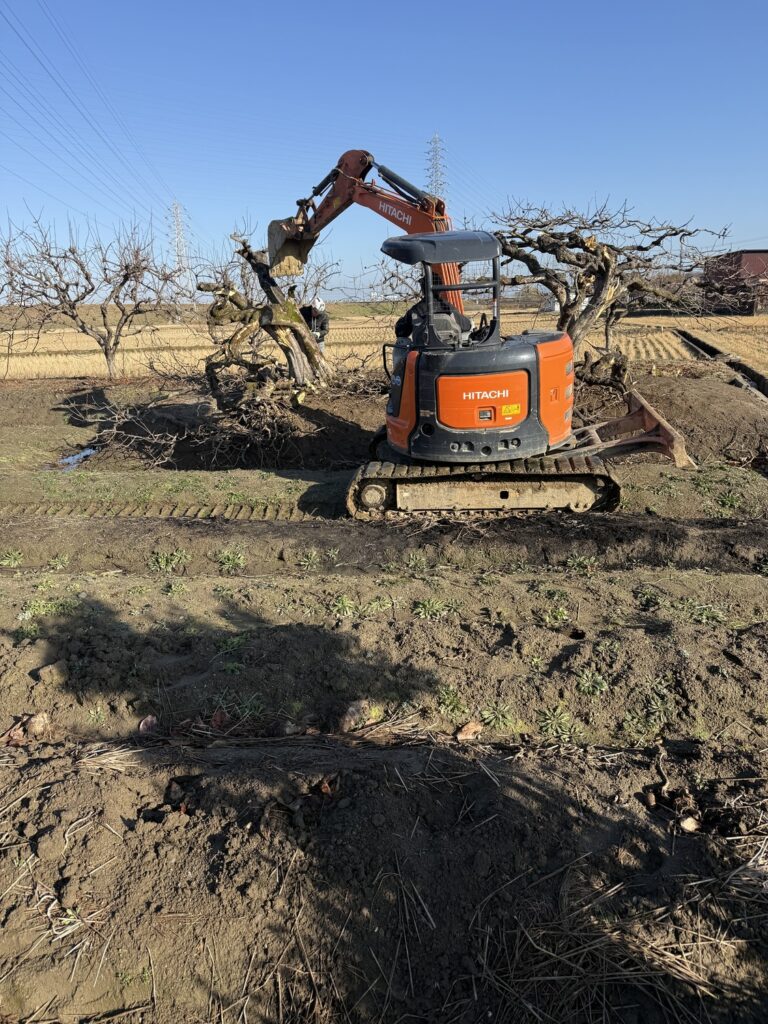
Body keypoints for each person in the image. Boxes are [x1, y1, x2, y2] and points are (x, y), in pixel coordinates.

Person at [395, 279, 472, 345]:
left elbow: (401, 332)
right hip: (451, 353)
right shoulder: (448, 308)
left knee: (401, 341)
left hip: (421, 354)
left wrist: (400, 323)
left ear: (423, 289)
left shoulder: (415, 310)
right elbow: (467, 326)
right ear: (440, 289)